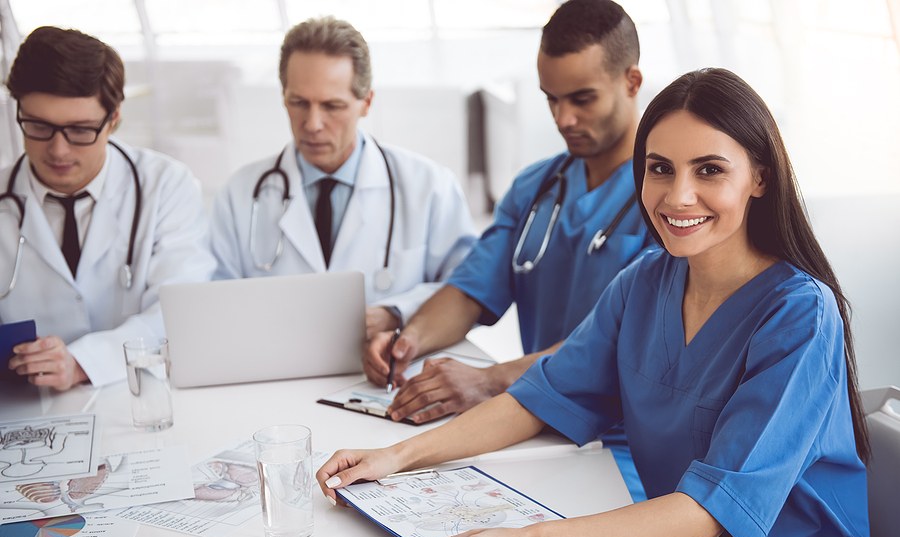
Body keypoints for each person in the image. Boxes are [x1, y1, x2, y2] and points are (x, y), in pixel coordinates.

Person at [318, 68, 880, 537]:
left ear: (759, 177)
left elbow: (717, 506)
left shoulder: (799, 314)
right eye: (660, 168)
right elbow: (540, 398)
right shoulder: (644, 283)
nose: (677, 195)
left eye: (709, 170)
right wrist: (396, 458)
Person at [364, 0, 654, 424]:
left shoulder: (670, 200)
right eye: (551, 99)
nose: (564, 118)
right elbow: (470, 292)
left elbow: (618, 340)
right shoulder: (535, 187)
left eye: (582, 99)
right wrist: (405, 343)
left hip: (624, 436)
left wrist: (490, 380)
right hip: (532, 418)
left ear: (632, 81)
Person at [210, 17, 476, 340]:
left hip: (389, 379)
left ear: (366, 103)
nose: (313, 123)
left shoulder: (430, 187)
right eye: (299, 103)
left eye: (332, 106)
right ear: (283, 97)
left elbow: (467, 289)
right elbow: (214, 305)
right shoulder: (240, 194)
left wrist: (396, 313)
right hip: (275, 375)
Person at [0, 27, 216, 392]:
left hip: (139, 396)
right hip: (23, 407)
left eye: (80, 130)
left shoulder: (165, 185)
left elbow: (180, 311)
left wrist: (82, 362)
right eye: (38, 126)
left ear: (114, 118)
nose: (58, 150)